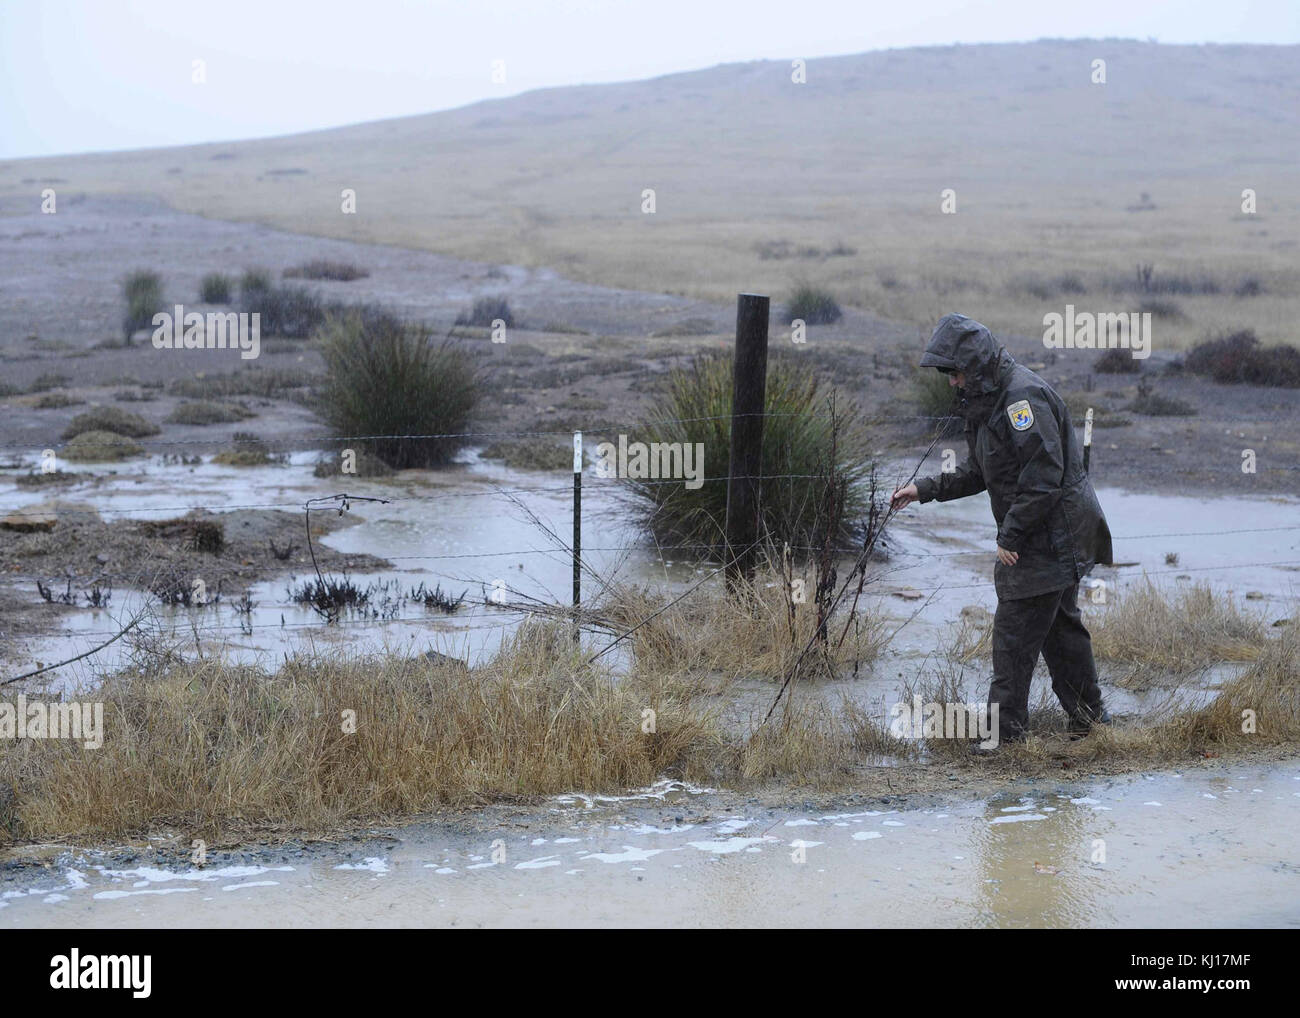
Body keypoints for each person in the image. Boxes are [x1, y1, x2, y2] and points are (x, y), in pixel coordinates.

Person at [890, 314, 1113, 750]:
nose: (952, 383)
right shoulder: (987, 398)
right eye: (948, 375)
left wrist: (1009, 536)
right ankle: (1091, 721)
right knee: (1060, 629)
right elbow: (983, 472)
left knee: (1014, 630)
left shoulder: (1020, 400)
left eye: (954, 373)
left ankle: (1006, 736)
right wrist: (924, 489)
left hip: (1054, 534)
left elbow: (1044, 477)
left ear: (973, 366)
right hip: (1045, 529)